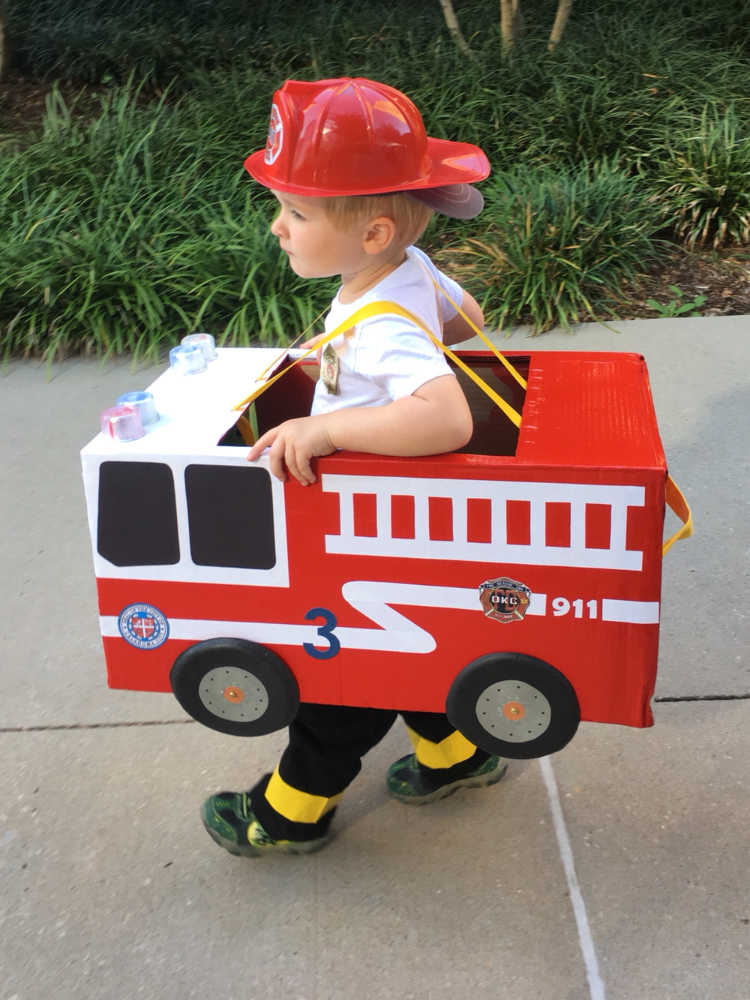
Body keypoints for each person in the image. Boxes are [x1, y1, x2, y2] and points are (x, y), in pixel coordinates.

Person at [202, 77, 508, 858]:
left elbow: (444, 416)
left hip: (374, 534)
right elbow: (467, 316)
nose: (278, 227)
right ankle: (457, 752)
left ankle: (290, 814)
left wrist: (334, 425)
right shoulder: (404, 273)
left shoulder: (381, 327)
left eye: (297, 212)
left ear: (373, 233)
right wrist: (365, 358)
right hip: (404, 535)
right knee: (417, 648)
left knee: (339, 680)